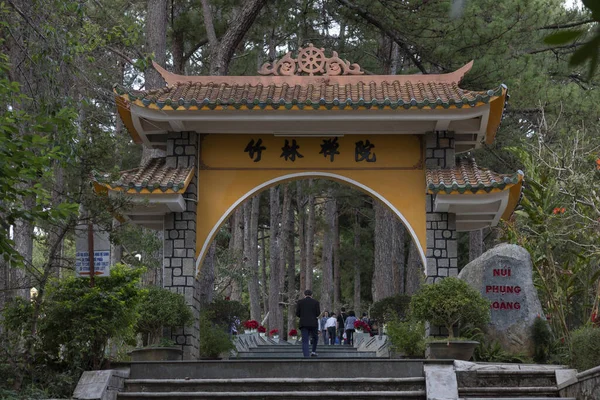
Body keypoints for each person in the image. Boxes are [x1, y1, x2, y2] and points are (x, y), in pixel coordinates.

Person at [296, 289, 321, 357]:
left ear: (304, 295)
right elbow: (318, 313)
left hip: (303, 323)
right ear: (311, 295)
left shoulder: (300, 302)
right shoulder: (316, 302)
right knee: (315, 337)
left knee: (305, 340)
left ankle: (306, 356)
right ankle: (313, 351)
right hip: (313, 323)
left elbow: (297, 313)